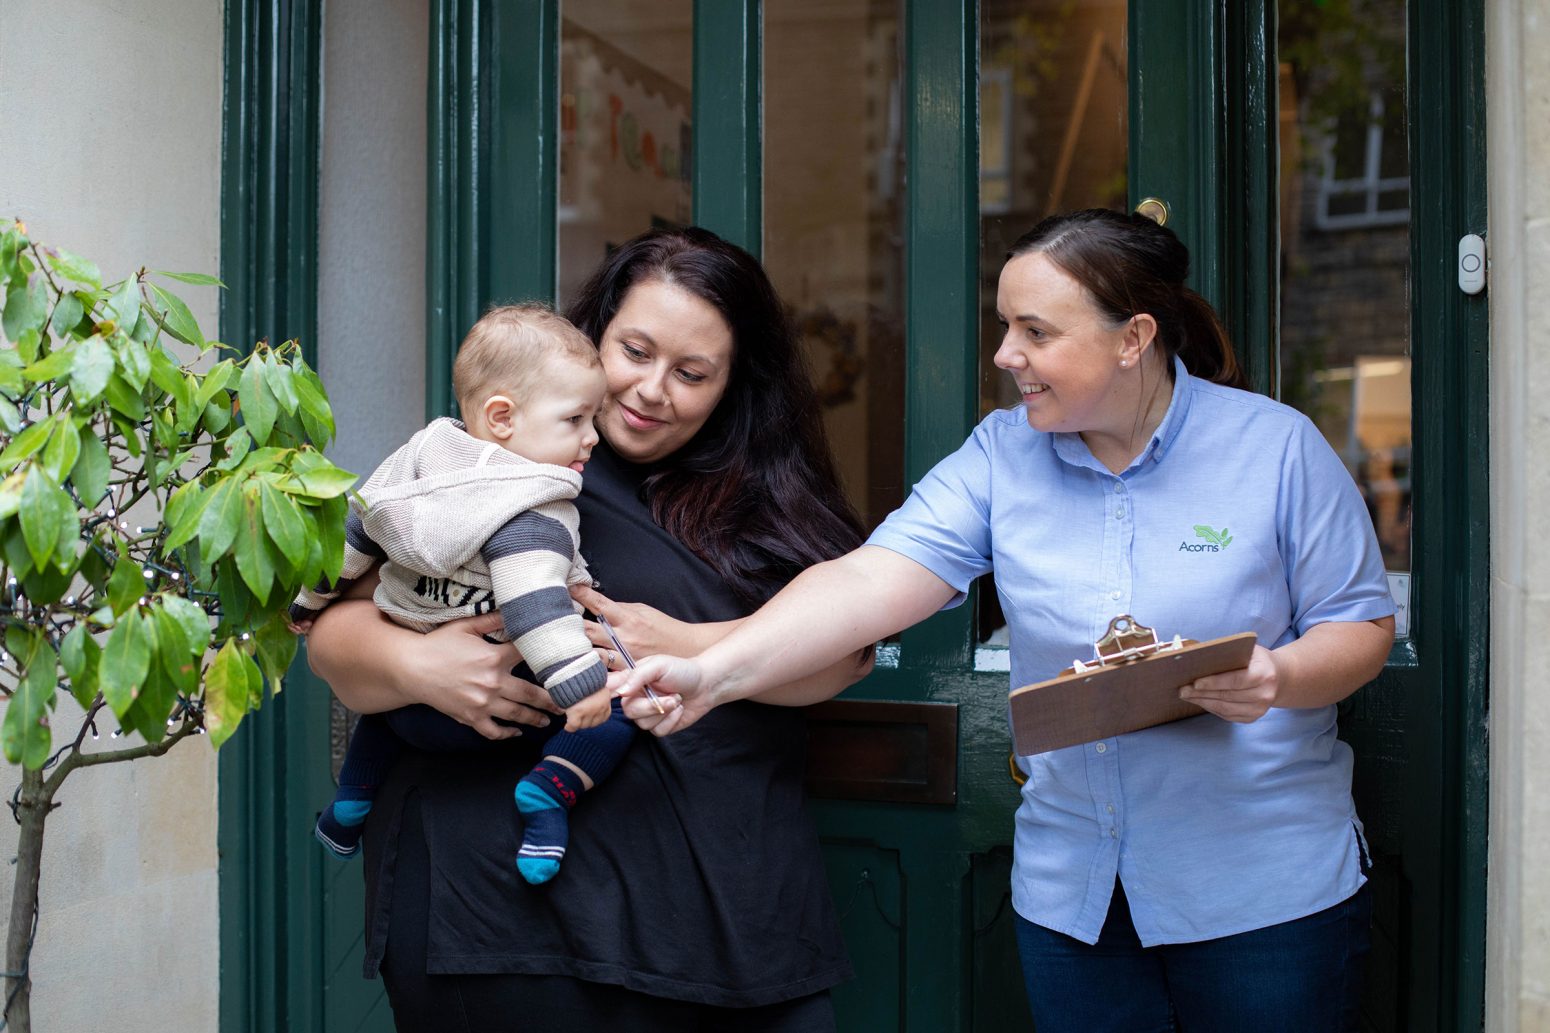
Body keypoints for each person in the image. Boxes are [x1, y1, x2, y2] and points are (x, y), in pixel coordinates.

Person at [618, 209, 1397, 1032]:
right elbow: (866, 580)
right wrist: (713, 672)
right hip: (1077, 902)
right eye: (1004, 326)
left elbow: (1360, 626)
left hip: (1262, 894)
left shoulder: (1277, 449)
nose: (1005, 355)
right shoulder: (1000, 454)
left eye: (1035, 330)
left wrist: (1278, 678)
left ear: (1132, 338)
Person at [304, 227, 870, 1031]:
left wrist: (690, 644)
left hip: (729, 916)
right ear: (594, 333)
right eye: (633, 350)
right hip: (500, 921)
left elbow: (844, 655)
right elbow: (329, 635)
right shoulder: (495, 462)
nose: (649, 390)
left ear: (734, 384)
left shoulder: (769, 500)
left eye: (692, 373)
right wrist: (418, 665)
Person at [292, 304, 630, 884]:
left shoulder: (418, 461)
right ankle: (549, 797)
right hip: (492, 716)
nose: (591, 437)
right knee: (614, 715)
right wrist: (581, 688)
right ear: (502, 417)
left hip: (407, 714)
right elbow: (535, 609)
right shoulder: (531, 509)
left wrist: (308, 601)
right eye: (576, 419)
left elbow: (353, 533)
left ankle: (351, 798)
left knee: (384, 706)